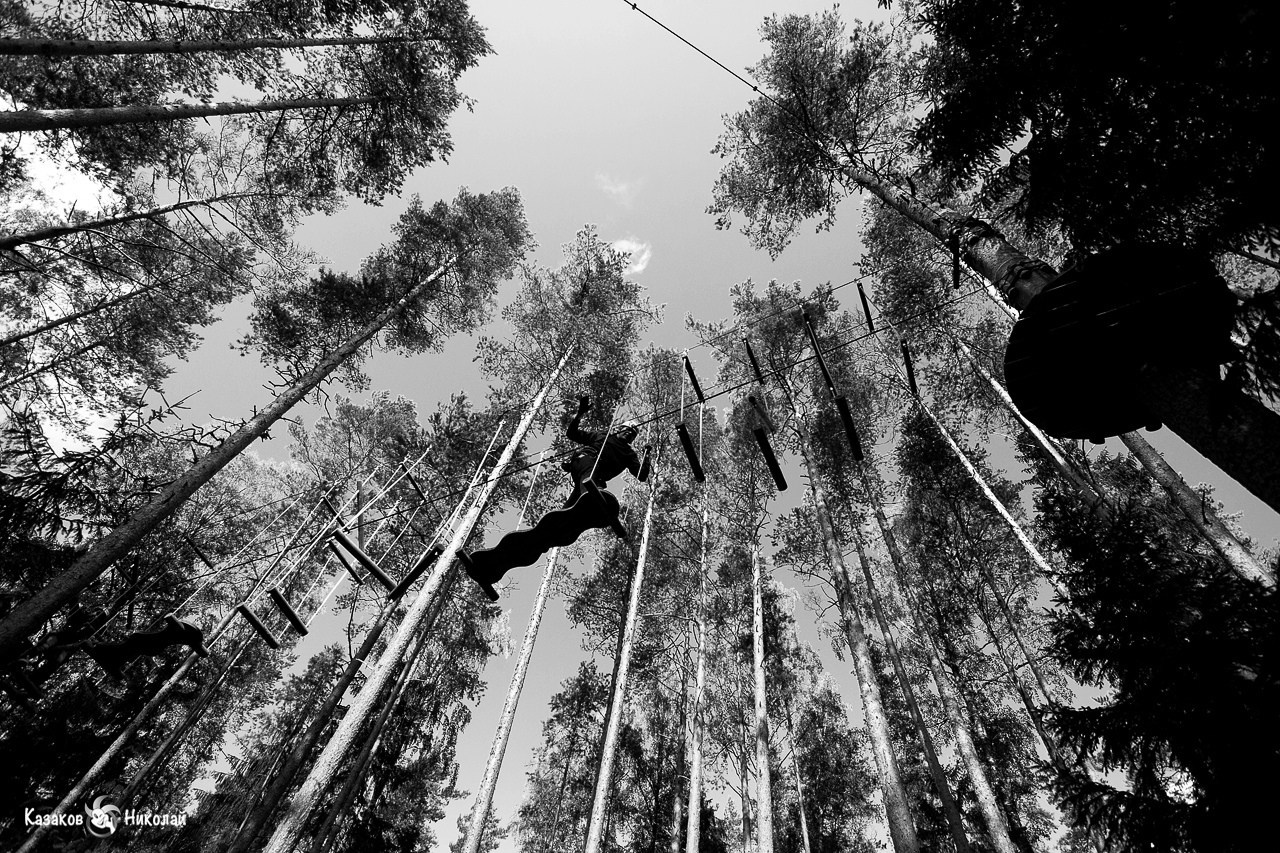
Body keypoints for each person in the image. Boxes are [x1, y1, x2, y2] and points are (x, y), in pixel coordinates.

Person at [461, 396, 651, 599]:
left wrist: (646, 455)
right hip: (585, 466)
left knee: (562, 520)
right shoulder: (602, 435)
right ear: (618, 429)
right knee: (590, 479)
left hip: (589, 485)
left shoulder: (630, 454)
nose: (629, 434)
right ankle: (589, 497)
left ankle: (505, 558)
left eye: (633, 434)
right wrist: (580, 413)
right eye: (627, 429)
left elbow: (641, 475)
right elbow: (572, 433)